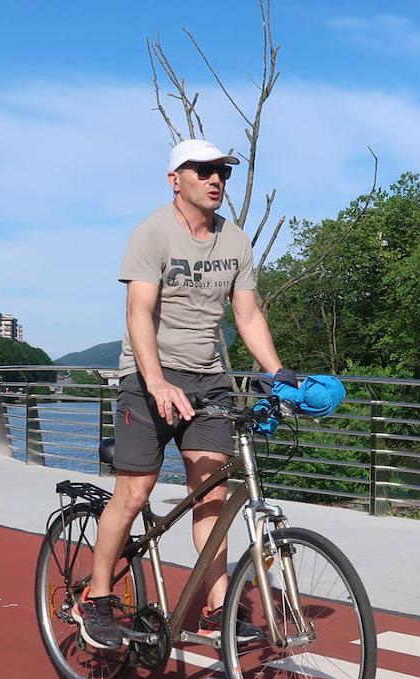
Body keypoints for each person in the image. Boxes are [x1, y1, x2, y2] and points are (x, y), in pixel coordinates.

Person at [77, 138, 296, 650]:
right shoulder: (151, 234)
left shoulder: (235, 241)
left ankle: (218, 608)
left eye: (221, 170)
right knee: (134, 492)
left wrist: (279, 371)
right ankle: (98, 596)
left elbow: (246, 314)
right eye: (202, 170)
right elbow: (138, 313)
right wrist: (154, 381)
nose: (215, 178)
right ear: (176, 179)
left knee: (213, 495)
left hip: (208, 378)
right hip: (148, 376)